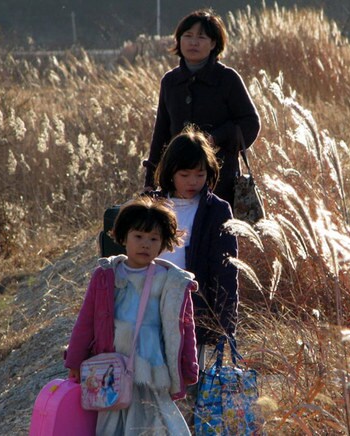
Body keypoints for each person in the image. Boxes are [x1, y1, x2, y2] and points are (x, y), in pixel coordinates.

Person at [64, 196, 199, 435]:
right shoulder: (107, 276)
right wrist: (75, 361)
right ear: (123, 236)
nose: (145, 244)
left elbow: (183, 327)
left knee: (155, 422)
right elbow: (86, 321)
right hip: (112, 366)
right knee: (113, 422)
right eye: (138, 236)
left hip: (152, 366)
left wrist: (188, 367)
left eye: (154, 239)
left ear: (164, 243)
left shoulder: (170, 281)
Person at [143, 9, 261, 207]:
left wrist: (214, 138)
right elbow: (161, 133)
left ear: (214, 43)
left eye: (201, 37)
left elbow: (250, 122)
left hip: (220, 180)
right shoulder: (170, 81)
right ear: (179, 41)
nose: (193, 42)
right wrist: (149, 182)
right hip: (176, 180)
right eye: (187, 36)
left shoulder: (227, 79)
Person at [152, 125, 238, 367]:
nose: (193, 182)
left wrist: (226, 321)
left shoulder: (216, 210)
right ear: (170, 172)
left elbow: (226, 269)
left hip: (191, 308)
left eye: (200, 175)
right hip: (150, 303)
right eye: (185, 174)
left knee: (189, 373)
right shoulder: (152, 205)